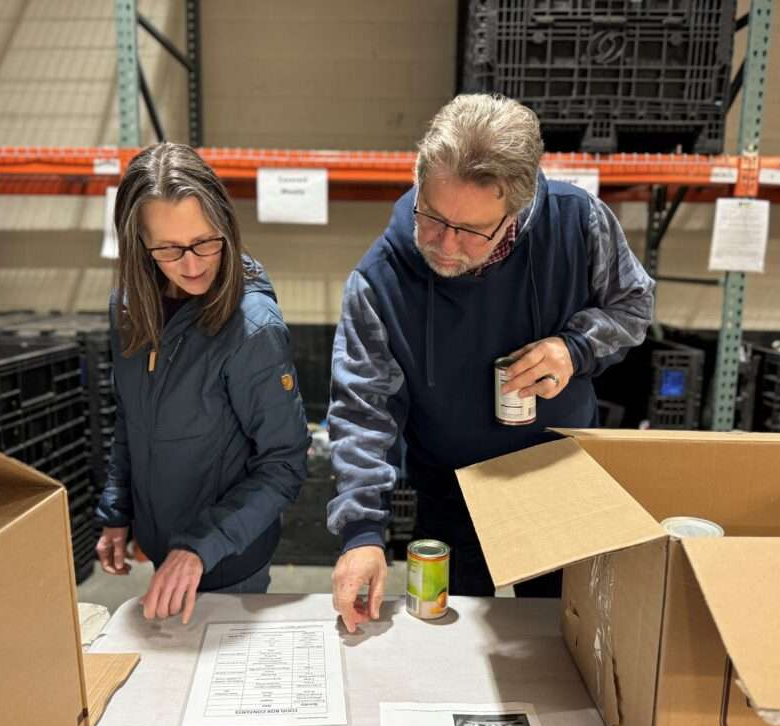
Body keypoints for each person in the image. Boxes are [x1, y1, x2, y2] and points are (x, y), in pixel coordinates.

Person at [327, 94, 654, 632]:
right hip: (451, 488)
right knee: (442, 645)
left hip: (557, 480)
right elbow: (362, 411)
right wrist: (361, 534)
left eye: (472, 231)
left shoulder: (578, 224)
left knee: (560, 640)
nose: (445, 245)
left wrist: (574, 348)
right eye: (431, 217)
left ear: (516, 211)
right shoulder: (380, 280)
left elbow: (634, 306)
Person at [94, 142, 310, 624]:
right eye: (169, 249)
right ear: (139, 246)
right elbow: (131, 417)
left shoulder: (253, 328)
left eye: (207, 241)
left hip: (229, 562)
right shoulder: (129, 307)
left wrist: (199, 548)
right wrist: (117, 509)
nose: (193, 265)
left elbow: (285, 464)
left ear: (226, 228)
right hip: (163, 551)